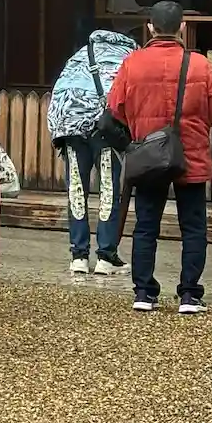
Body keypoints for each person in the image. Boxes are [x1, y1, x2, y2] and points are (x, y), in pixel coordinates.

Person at [107, 1, 212, 315]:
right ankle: (189, 294)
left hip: (148, 155)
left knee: (146, 225)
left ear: (150, 28)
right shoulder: (200, 65)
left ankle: (144, 292)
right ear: (182, 27)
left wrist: (140, 127)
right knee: (194, 226)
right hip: (190, 153)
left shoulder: (132, 63)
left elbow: (116, 107)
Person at [47, 28, 137, 276]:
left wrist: (58, 130)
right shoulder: (128, 57)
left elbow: (60, 91)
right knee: (108, 190)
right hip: (104, 128)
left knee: (76, 190)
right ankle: (105, 257)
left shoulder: (80, 54)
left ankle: (79, 256)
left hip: (70, 127)